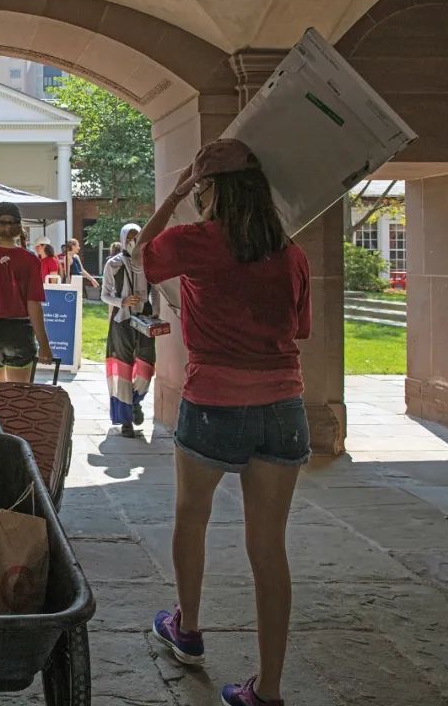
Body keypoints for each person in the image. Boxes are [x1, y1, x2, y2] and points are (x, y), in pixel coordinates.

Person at [137, 139, 311, 706]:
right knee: (269, 550)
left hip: (213, 399)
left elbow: (142, 251)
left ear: (209, 191)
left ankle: (187, 629)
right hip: (282, 405)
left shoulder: (200, 242)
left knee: (191, 517)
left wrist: (178, 190)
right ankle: (270, 689)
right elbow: (299, 329)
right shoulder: (292, 254)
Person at [0, 202, 53, 387]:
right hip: (20, 332)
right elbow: (34, 306)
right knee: (18, 397)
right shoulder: (30, 260)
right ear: (19, 227)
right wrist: (44, 344)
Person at [100, 224, 156, 438]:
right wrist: (121, 301)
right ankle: (125, 421)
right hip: (122, 320)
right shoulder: (112, 264)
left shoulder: (148, 263)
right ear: (123, 239)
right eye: (130, 236)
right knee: (123, 368)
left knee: (146, 366)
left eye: (137, 236)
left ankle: (135, 401)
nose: (133, 240)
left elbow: (156, 290)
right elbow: (104, 294)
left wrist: (156, 313)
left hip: (145, 320)